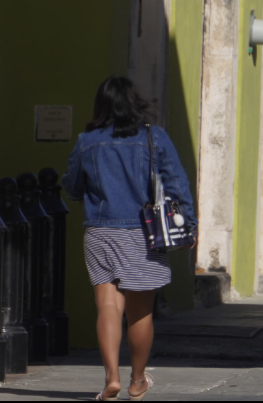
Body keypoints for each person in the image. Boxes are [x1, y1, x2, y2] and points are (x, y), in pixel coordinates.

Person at [64, 77, 195, 402]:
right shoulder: (154, 138)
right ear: (135, 103)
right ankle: (137, 381)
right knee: (140, 312)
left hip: (100, 230)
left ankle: (111, 377)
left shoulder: (86, 141)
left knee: (107, 304)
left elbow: (72, 186)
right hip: (143, 231)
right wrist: (188, 224)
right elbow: (176, 183)